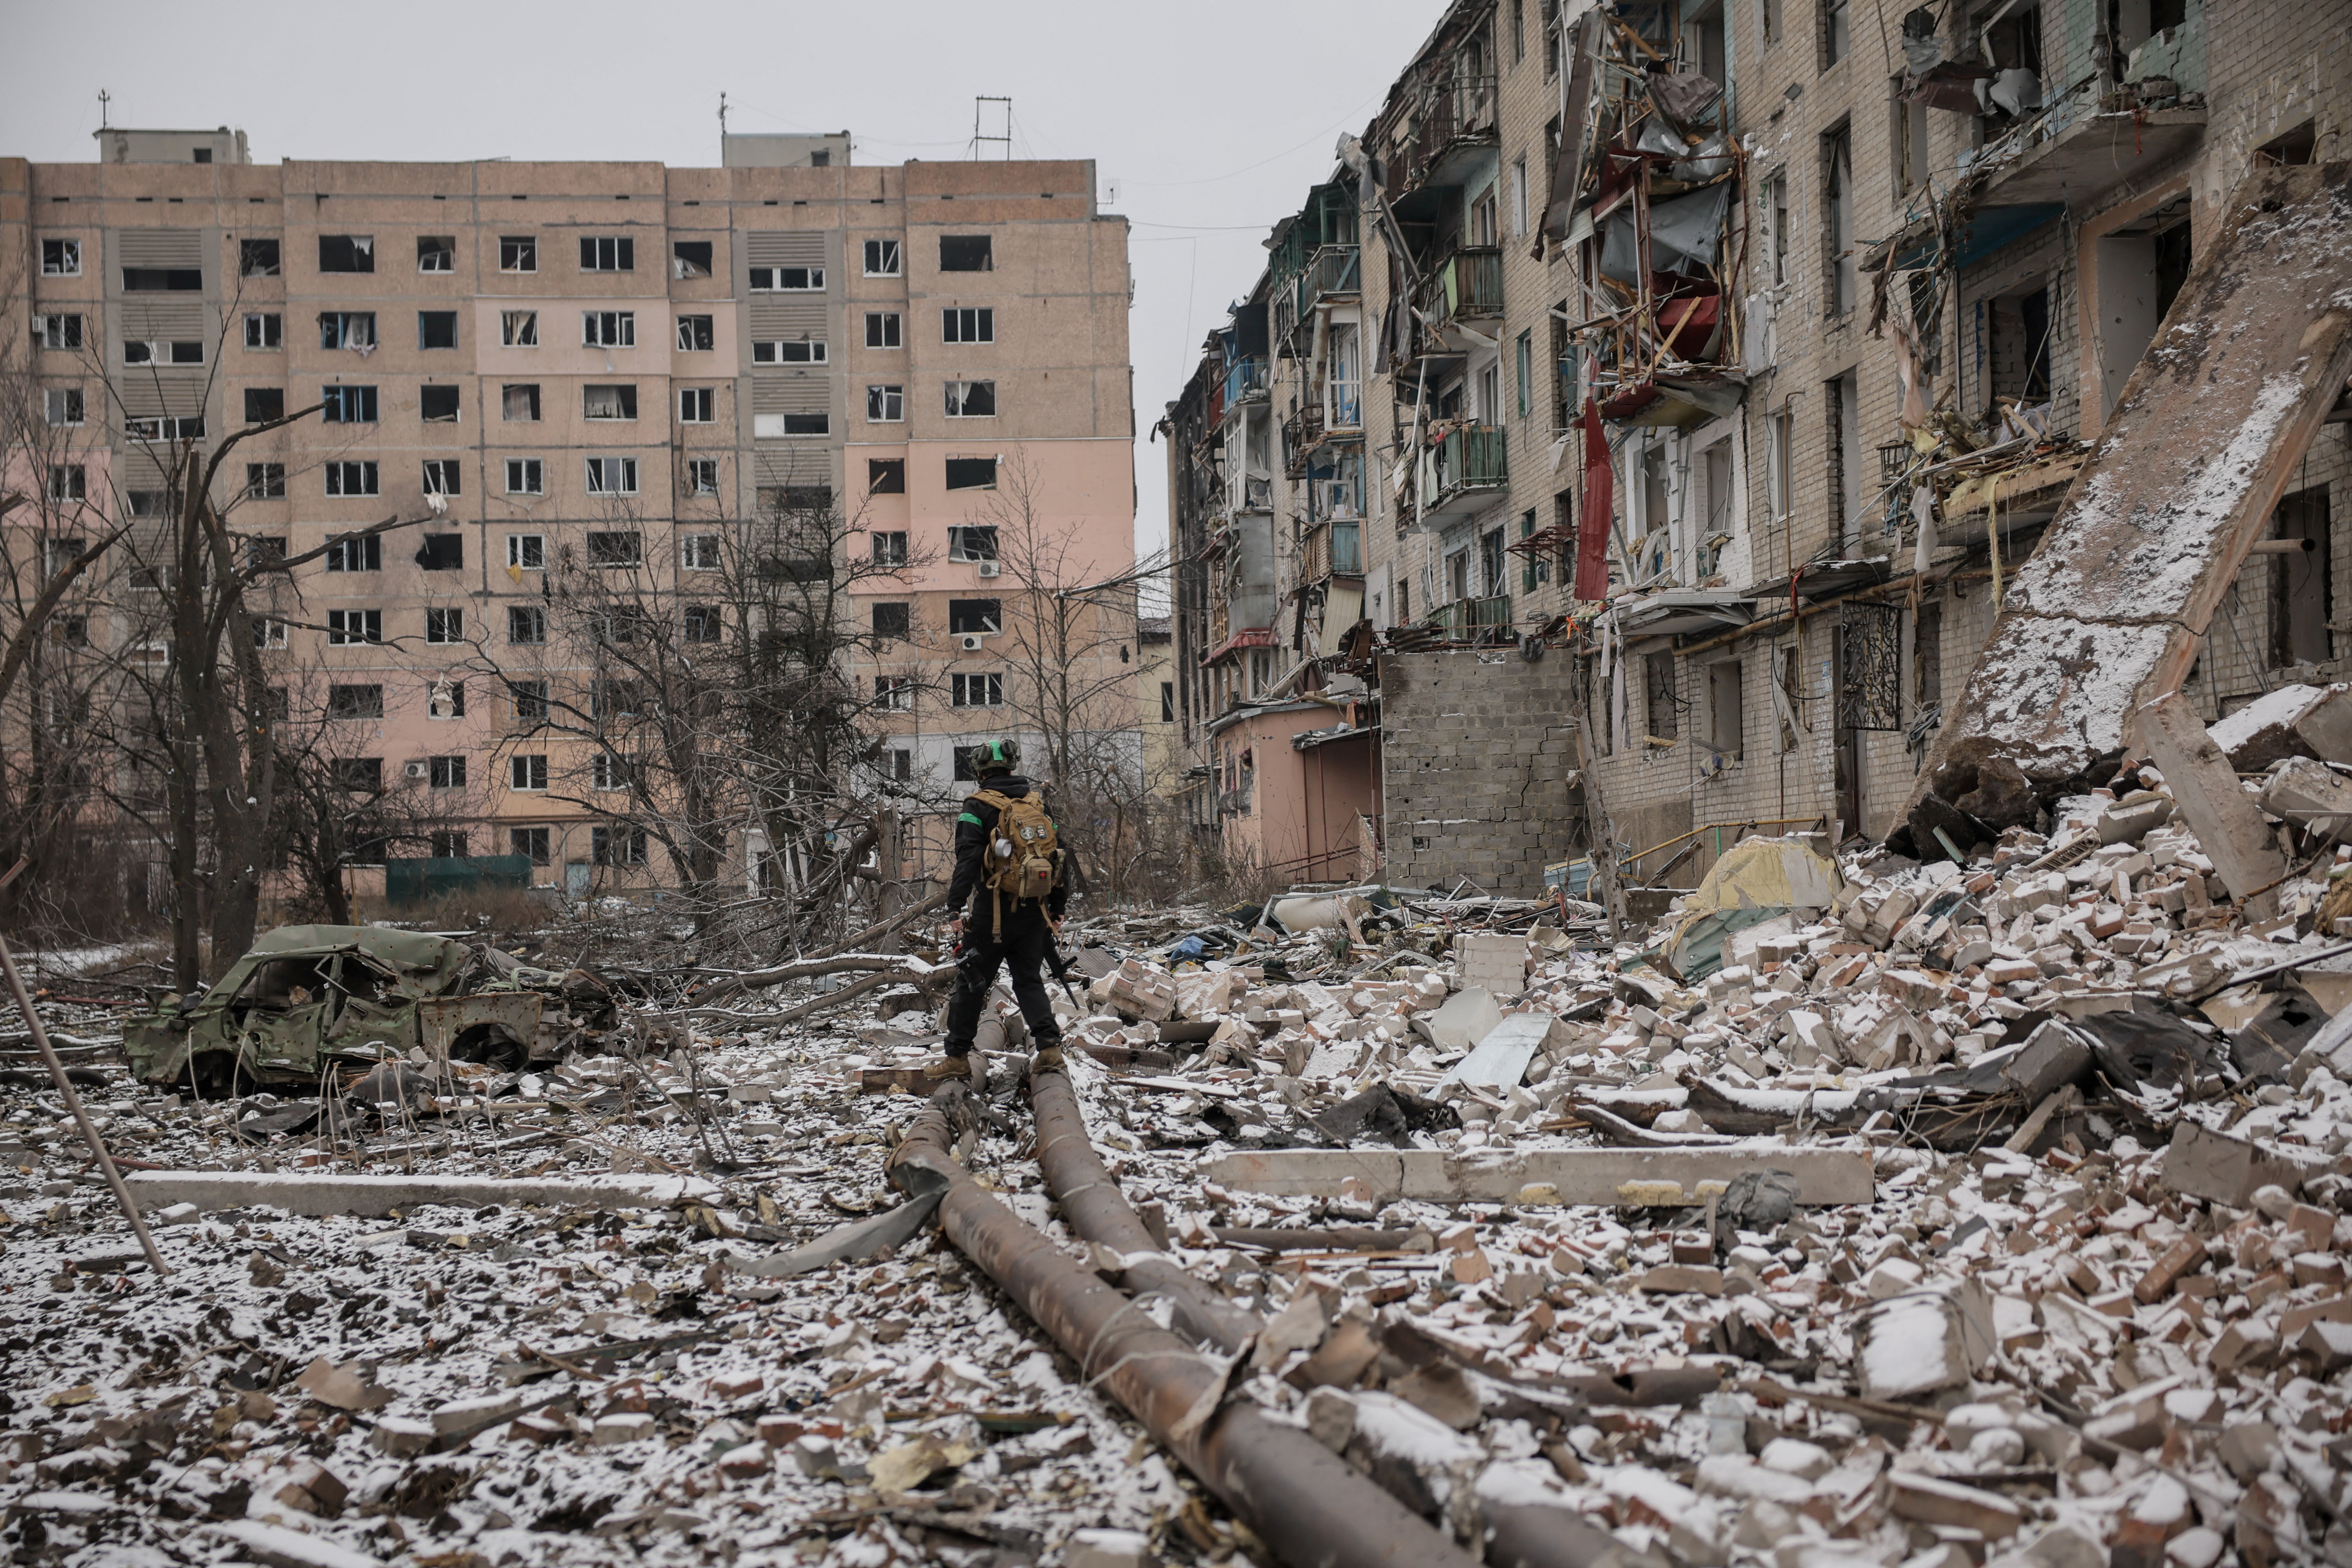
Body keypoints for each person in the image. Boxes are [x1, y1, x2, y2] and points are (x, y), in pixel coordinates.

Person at [931, 740, 1072, 1081]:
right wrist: (1057, 908)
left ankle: (957, 1058)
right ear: (1012, 767)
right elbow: (1059, 858)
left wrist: (953, 906)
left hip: (992, 916)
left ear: (979, 772)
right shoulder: (1038, 804)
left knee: (970, 984)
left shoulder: (975, 807)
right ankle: (1050, 1050)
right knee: (1028, 981)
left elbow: (966, 860)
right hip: (1033, 914)